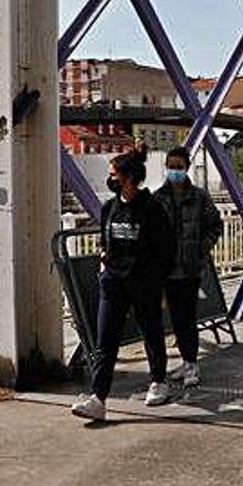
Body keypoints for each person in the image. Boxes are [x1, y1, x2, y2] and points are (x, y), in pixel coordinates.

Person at [71, 143, 175, 421]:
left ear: (129, 178)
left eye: (114, 175)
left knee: (151, 333)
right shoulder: (109, 208)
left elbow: (166, 249)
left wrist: (161, 285)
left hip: (144, 283)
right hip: (113, 283)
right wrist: (104, 259)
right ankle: (98, 398)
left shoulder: (152, 209)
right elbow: (105, 240)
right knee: (106, 339)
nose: (111, 180)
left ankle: (158, 381)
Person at [154, 146, 223, 389]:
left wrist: (200, 248)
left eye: (179, 167)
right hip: (167, 269)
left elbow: (216, 225)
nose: (175, 171)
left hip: (190, 269)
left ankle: (192, 361)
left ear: (187, 167)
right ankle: (186, 360)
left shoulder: (199, 196)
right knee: (175, 318)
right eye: (171, 166)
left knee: (188, 316)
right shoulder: (158, 198)